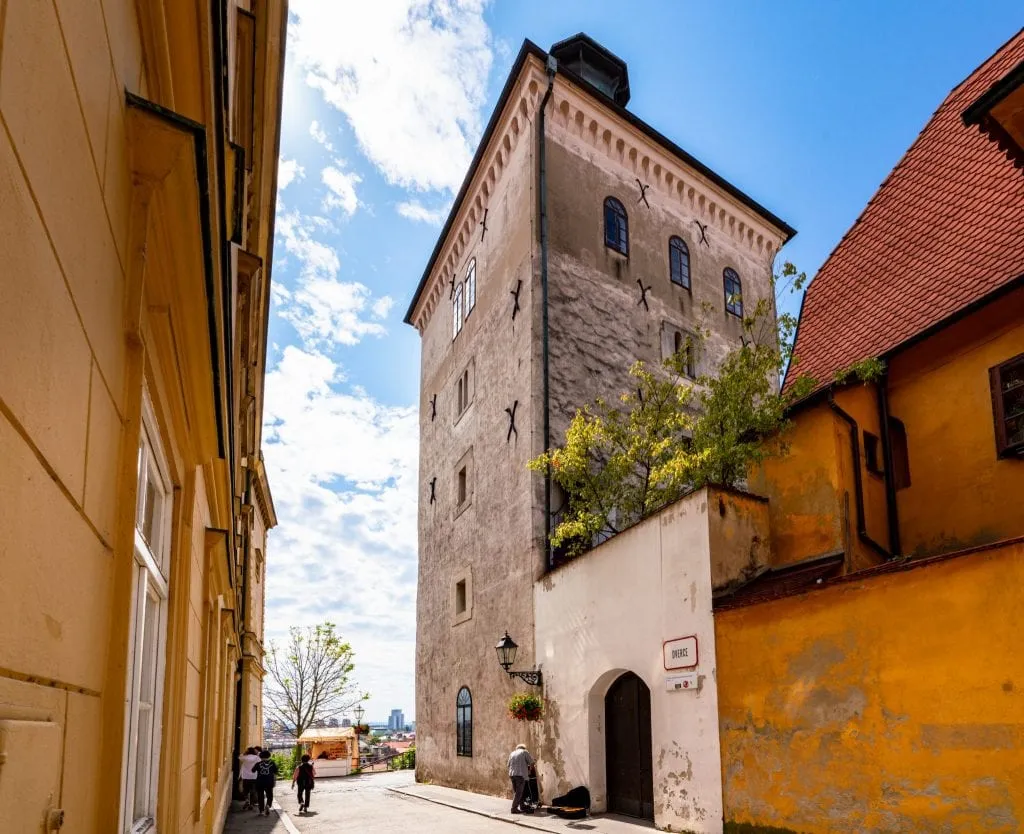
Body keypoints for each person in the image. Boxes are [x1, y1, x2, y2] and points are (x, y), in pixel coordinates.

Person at [507, 744, 535, 814]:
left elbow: (508, 765)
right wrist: (529, 771)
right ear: (524, 748)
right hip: (520, 775)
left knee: (518, 792)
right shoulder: (524, 752)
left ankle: (522, 805)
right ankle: (514, 808)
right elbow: (531, 763)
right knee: (519, 793)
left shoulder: (512, 753)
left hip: (512, 775)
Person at [253, 748, 279, 816]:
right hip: (269, 782)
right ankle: (268, 805)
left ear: (260, 756)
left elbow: (252, 770)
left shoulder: (258, 764)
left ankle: (261, 811)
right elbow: (276, 772)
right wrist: (274, 780)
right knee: (269, 795)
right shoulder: (272, 763)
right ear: (269, 756)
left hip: (260, 782)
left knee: (260, 796)